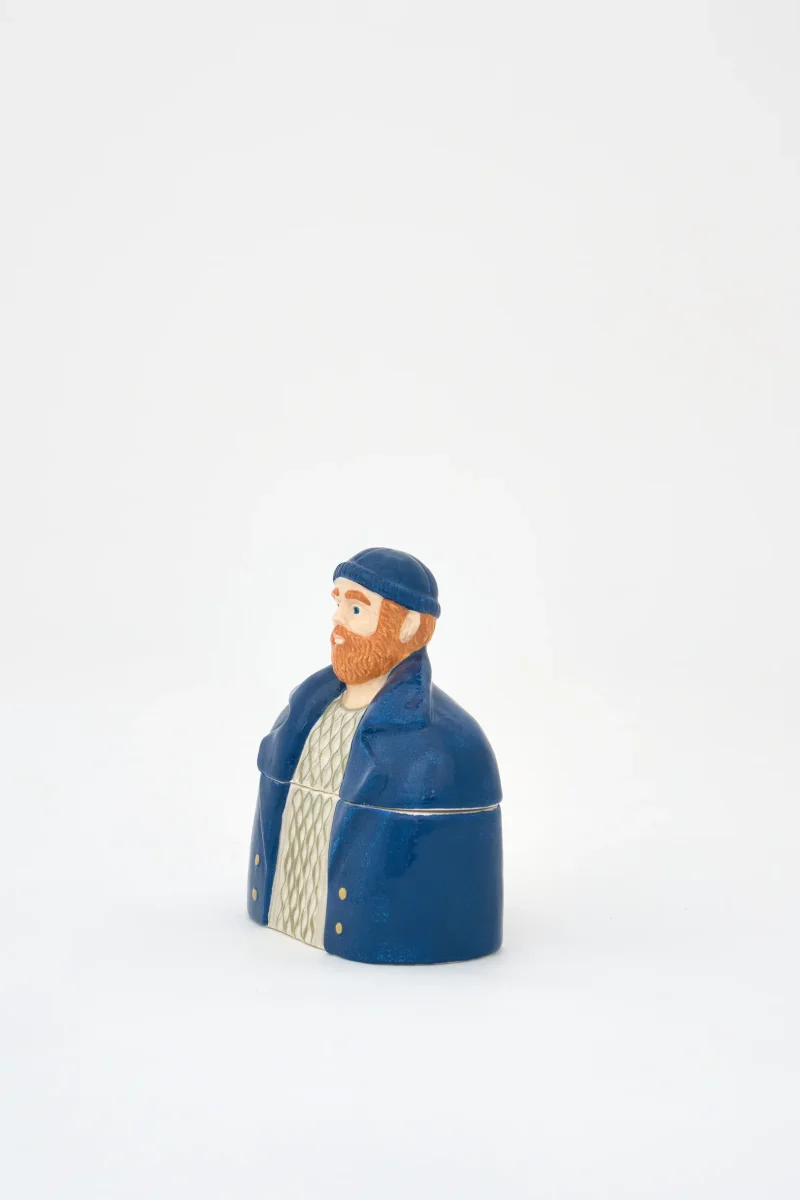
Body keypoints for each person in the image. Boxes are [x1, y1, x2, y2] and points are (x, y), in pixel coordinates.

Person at [247, 547, 503, 964]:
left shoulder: (442, 747)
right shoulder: (303, 711)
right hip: (276, 942)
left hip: (369, 950)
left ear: (408, 626)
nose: (337, 620)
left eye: (355, 609)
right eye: (338, 604)